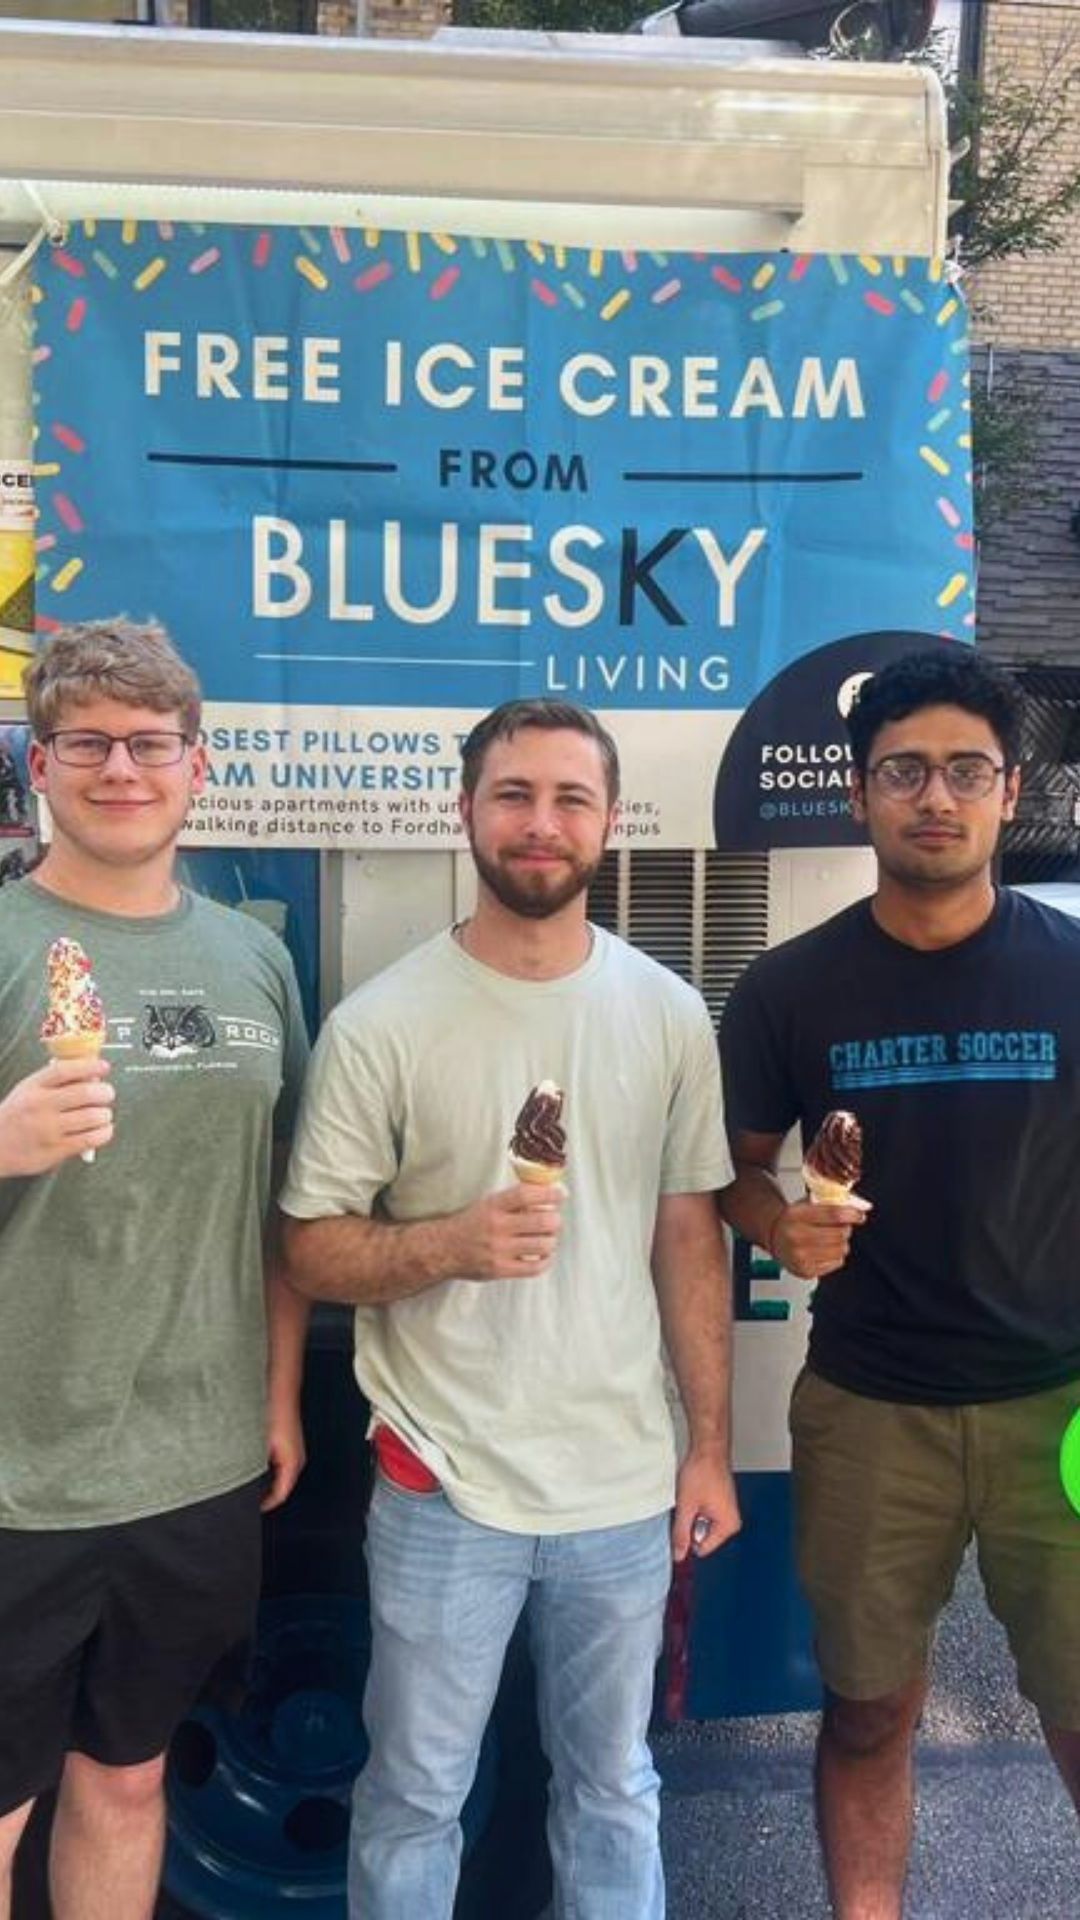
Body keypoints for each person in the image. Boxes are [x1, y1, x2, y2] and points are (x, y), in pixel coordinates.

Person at [280, 697, 740, 1920]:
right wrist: (449, 1243)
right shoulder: (381, 1023)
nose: (543, 824)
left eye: (571, 798)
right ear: (467, 812)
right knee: (417, 1795)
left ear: (610, 820)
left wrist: (708, 1449)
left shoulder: (667, 1011)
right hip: (443, 1484)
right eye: (515, 795)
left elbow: (687, 1236)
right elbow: (311, 1249)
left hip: (624, 1488)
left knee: (614, 1788)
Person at [719, 648, 1080, 1919]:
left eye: (965, 771)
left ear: (1009, 791)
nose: (937, 796)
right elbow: (734, 1172)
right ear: (861, 795)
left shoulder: (1073, 969)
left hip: (1066, 1412)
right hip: (873, 1413)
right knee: (868, 1712)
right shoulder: (789, 987)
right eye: (906, 771)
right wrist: (779, 1228)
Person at [0, 618, 310, 1920]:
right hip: (16, 1474)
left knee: (126, 1782)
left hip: (194, 1464)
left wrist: (279, 1401)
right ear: (40, 770)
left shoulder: (254, 955)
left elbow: (281, 1212)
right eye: (87, 743)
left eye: (149, 744)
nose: (120, 769)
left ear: (200, 765)